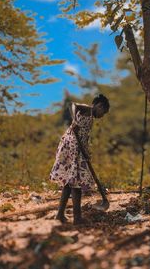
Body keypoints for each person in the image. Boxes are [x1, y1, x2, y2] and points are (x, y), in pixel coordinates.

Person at [50, 94, 110, 224]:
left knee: (69, 182)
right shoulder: (88, 109)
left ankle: (60, 214)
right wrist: (75, 122)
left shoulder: (90, 116)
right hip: (72, 146)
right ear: (99, 106)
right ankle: (77, 218)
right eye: (103, 112)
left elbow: (84, 137)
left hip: (77, 147)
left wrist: (86, 152)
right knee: (76, 182)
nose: (101, 116)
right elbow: (73, 105)